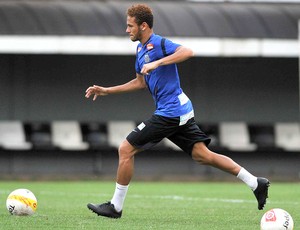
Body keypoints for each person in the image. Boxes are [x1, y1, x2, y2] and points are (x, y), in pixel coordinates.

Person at [85, 4, 270, 219]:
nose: (127, 30)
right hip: (178, 110)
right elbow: (140, 83)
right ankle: (255, 182)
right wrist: (107, 90)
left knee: (126, 149)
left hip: (171, 112)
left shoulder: (159, 43)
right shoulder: (140, 49)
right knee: (203, 155)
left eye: (130, 26)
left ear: (143, 26)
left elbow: (188, 52)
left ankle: (115, 207)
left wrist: (158, 63)